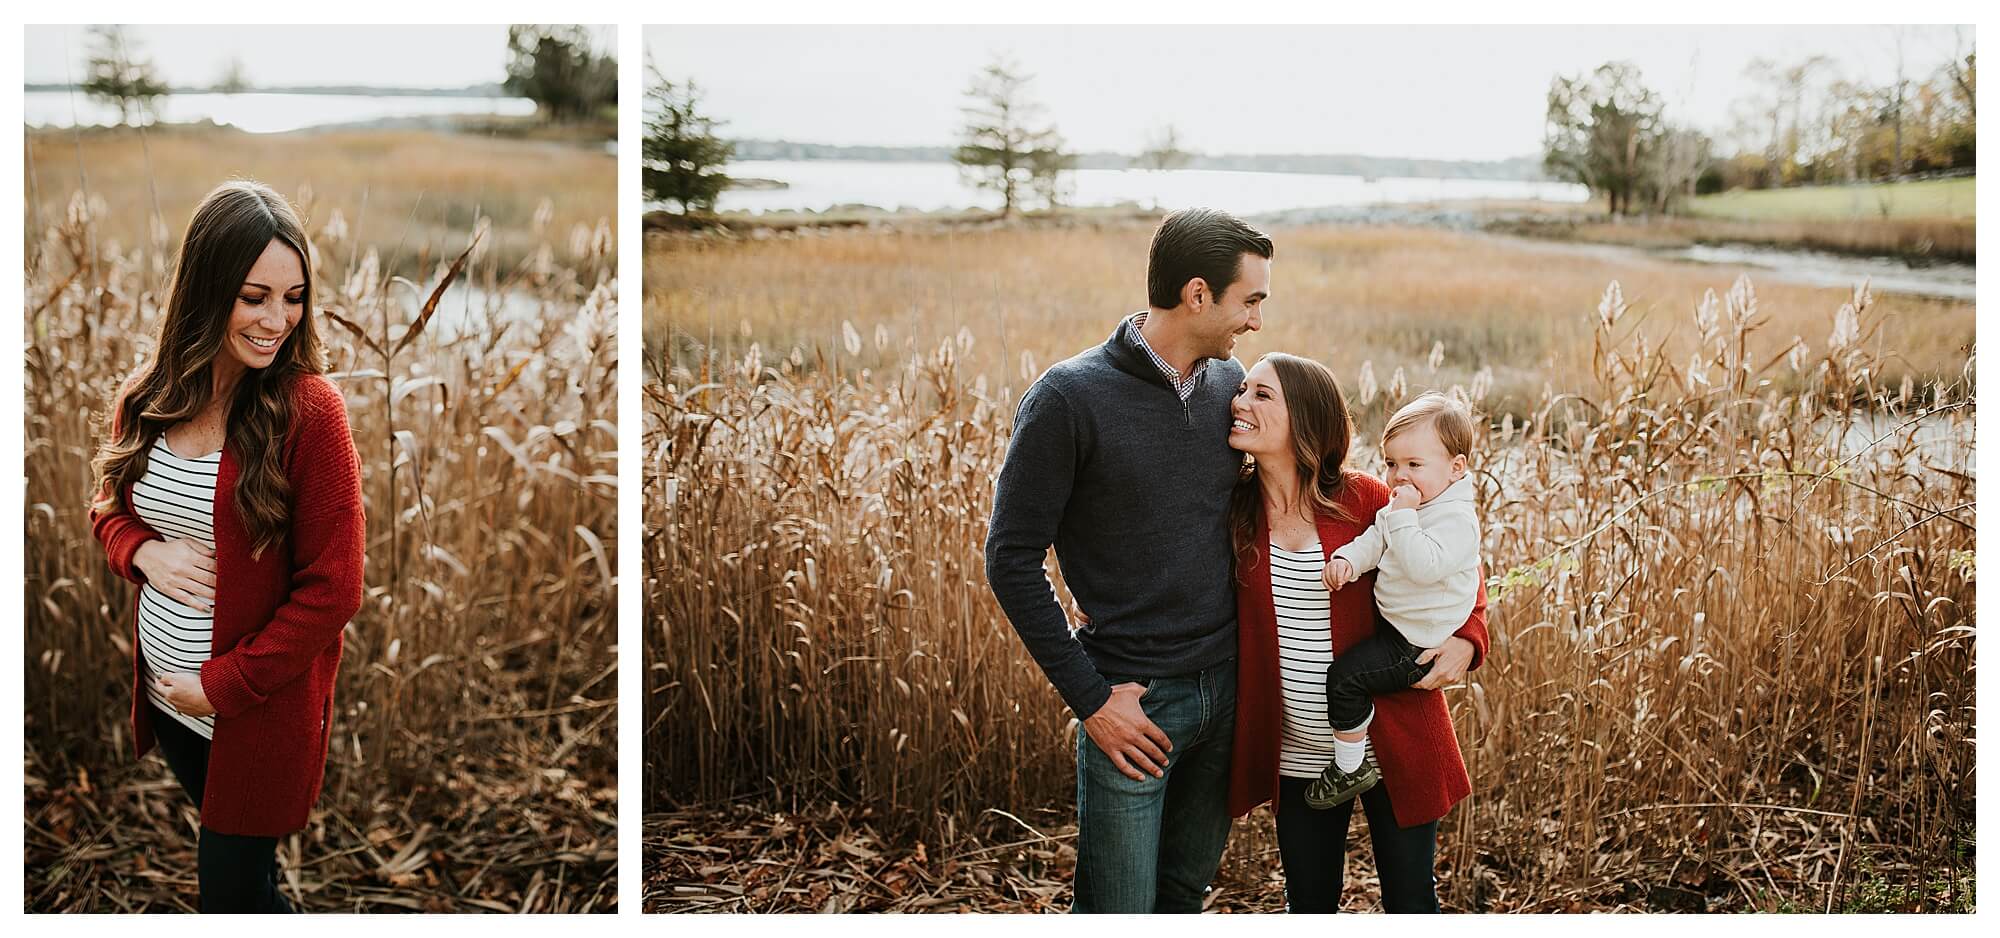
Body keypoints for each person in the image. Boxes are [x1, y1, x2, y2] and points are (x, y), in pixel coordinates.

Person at [89, 179, 365, 913]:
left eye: (294, 296)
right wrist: (142, 554)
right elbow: (109, 510)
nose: (279, 319)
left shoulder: (311, 412)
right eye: (255, 296)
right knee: (252, 891)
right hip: (169, 700)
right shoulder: (150, 395)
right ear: (207, 288)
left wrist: (221, 685)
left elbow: (333, 590)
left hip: (253, 715)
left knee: (231, 898)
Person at [985, 207, 1271, 913]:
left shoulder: (1226, 387)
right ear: (1198, 295)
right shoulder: (1068, 399)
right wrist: (1092, 701)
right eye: (1251, 301)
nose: (1257, 322)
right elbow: (1011, 557)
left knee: (1180, 898)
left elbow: (1281, 497)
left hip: (1226, 691)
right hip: (1135, 704)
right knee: (1117, 909)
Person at [1221, 353, 1490, 913]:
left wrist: (1468, 637)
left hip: (1392, 734)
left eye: (1262, 395)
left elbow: (1458, 565)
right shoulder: (1234, 512)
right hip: (1300, 754)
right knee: (1310, 903)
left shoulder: (1367, 497)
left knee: (1410, 901)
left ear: (1307, 419)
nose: (1239, 402)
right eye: (1242, 389)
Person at [1309, 392, 1483, 809]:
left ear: (1456, 468)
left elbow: (1423, 565)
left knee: (1346, 679)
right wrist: (1349, 560)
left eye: (1414, 465)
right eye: (1391, 464)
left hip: (1416, 645)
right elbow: (1376, 539)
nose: (1399, 476)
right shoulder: (1410, 504)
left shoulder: (1456, 520)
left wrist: (1403, 514)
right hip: (1400, 626)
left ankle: (1350, 767)